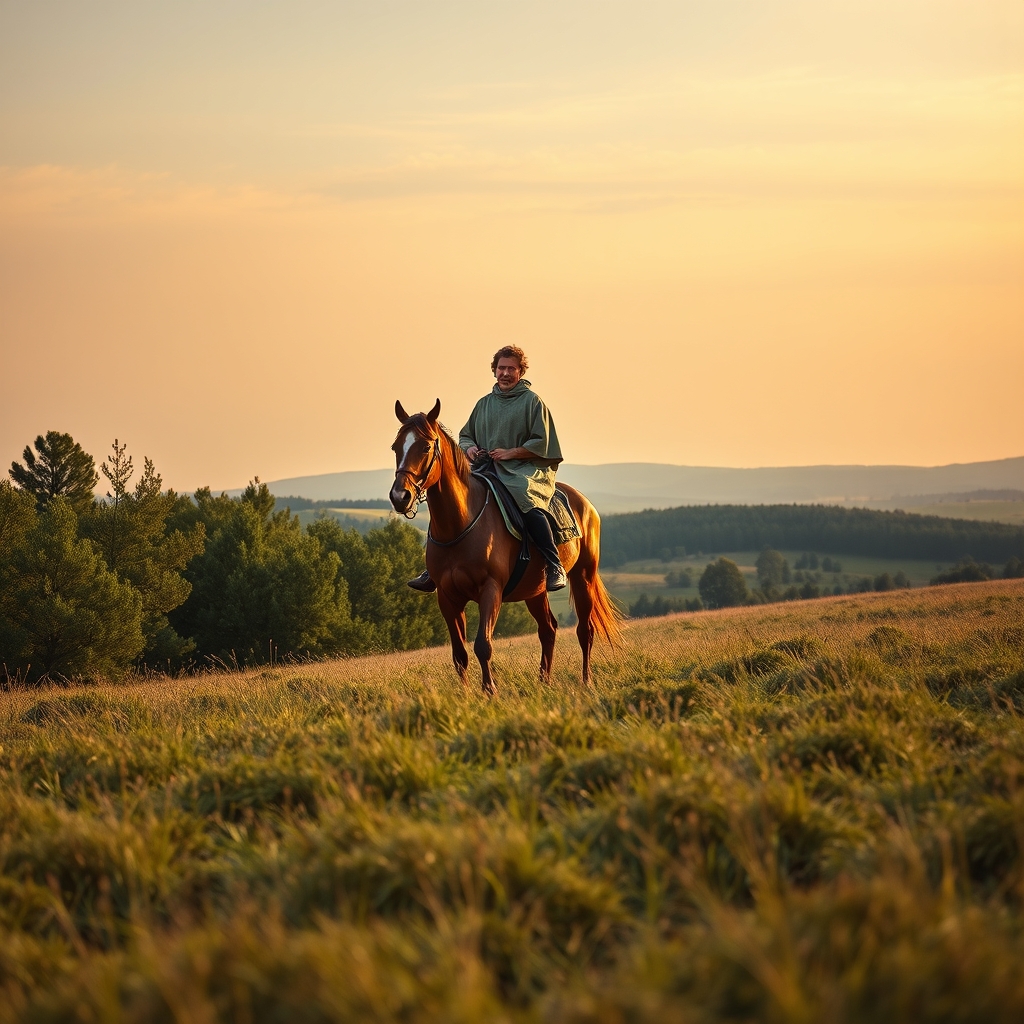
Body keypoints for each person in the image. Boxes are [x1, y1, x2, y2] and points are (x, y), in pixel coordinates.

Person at [408, 345, 569, 593]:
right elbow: (465, 436)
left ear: (520, 371)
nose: (505, 373)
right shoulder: (484, 403)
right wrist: (470, 449)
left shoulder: (532, 402)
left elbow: (543, 442)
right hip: (486, 467)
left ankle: (553, 564)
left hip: (525, 470)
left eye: (511, 369)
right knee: (454, 499)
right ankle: (435, 568)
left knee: (526, 498)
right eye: (501, 368)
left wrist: (511, 452)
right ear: (494, 370)